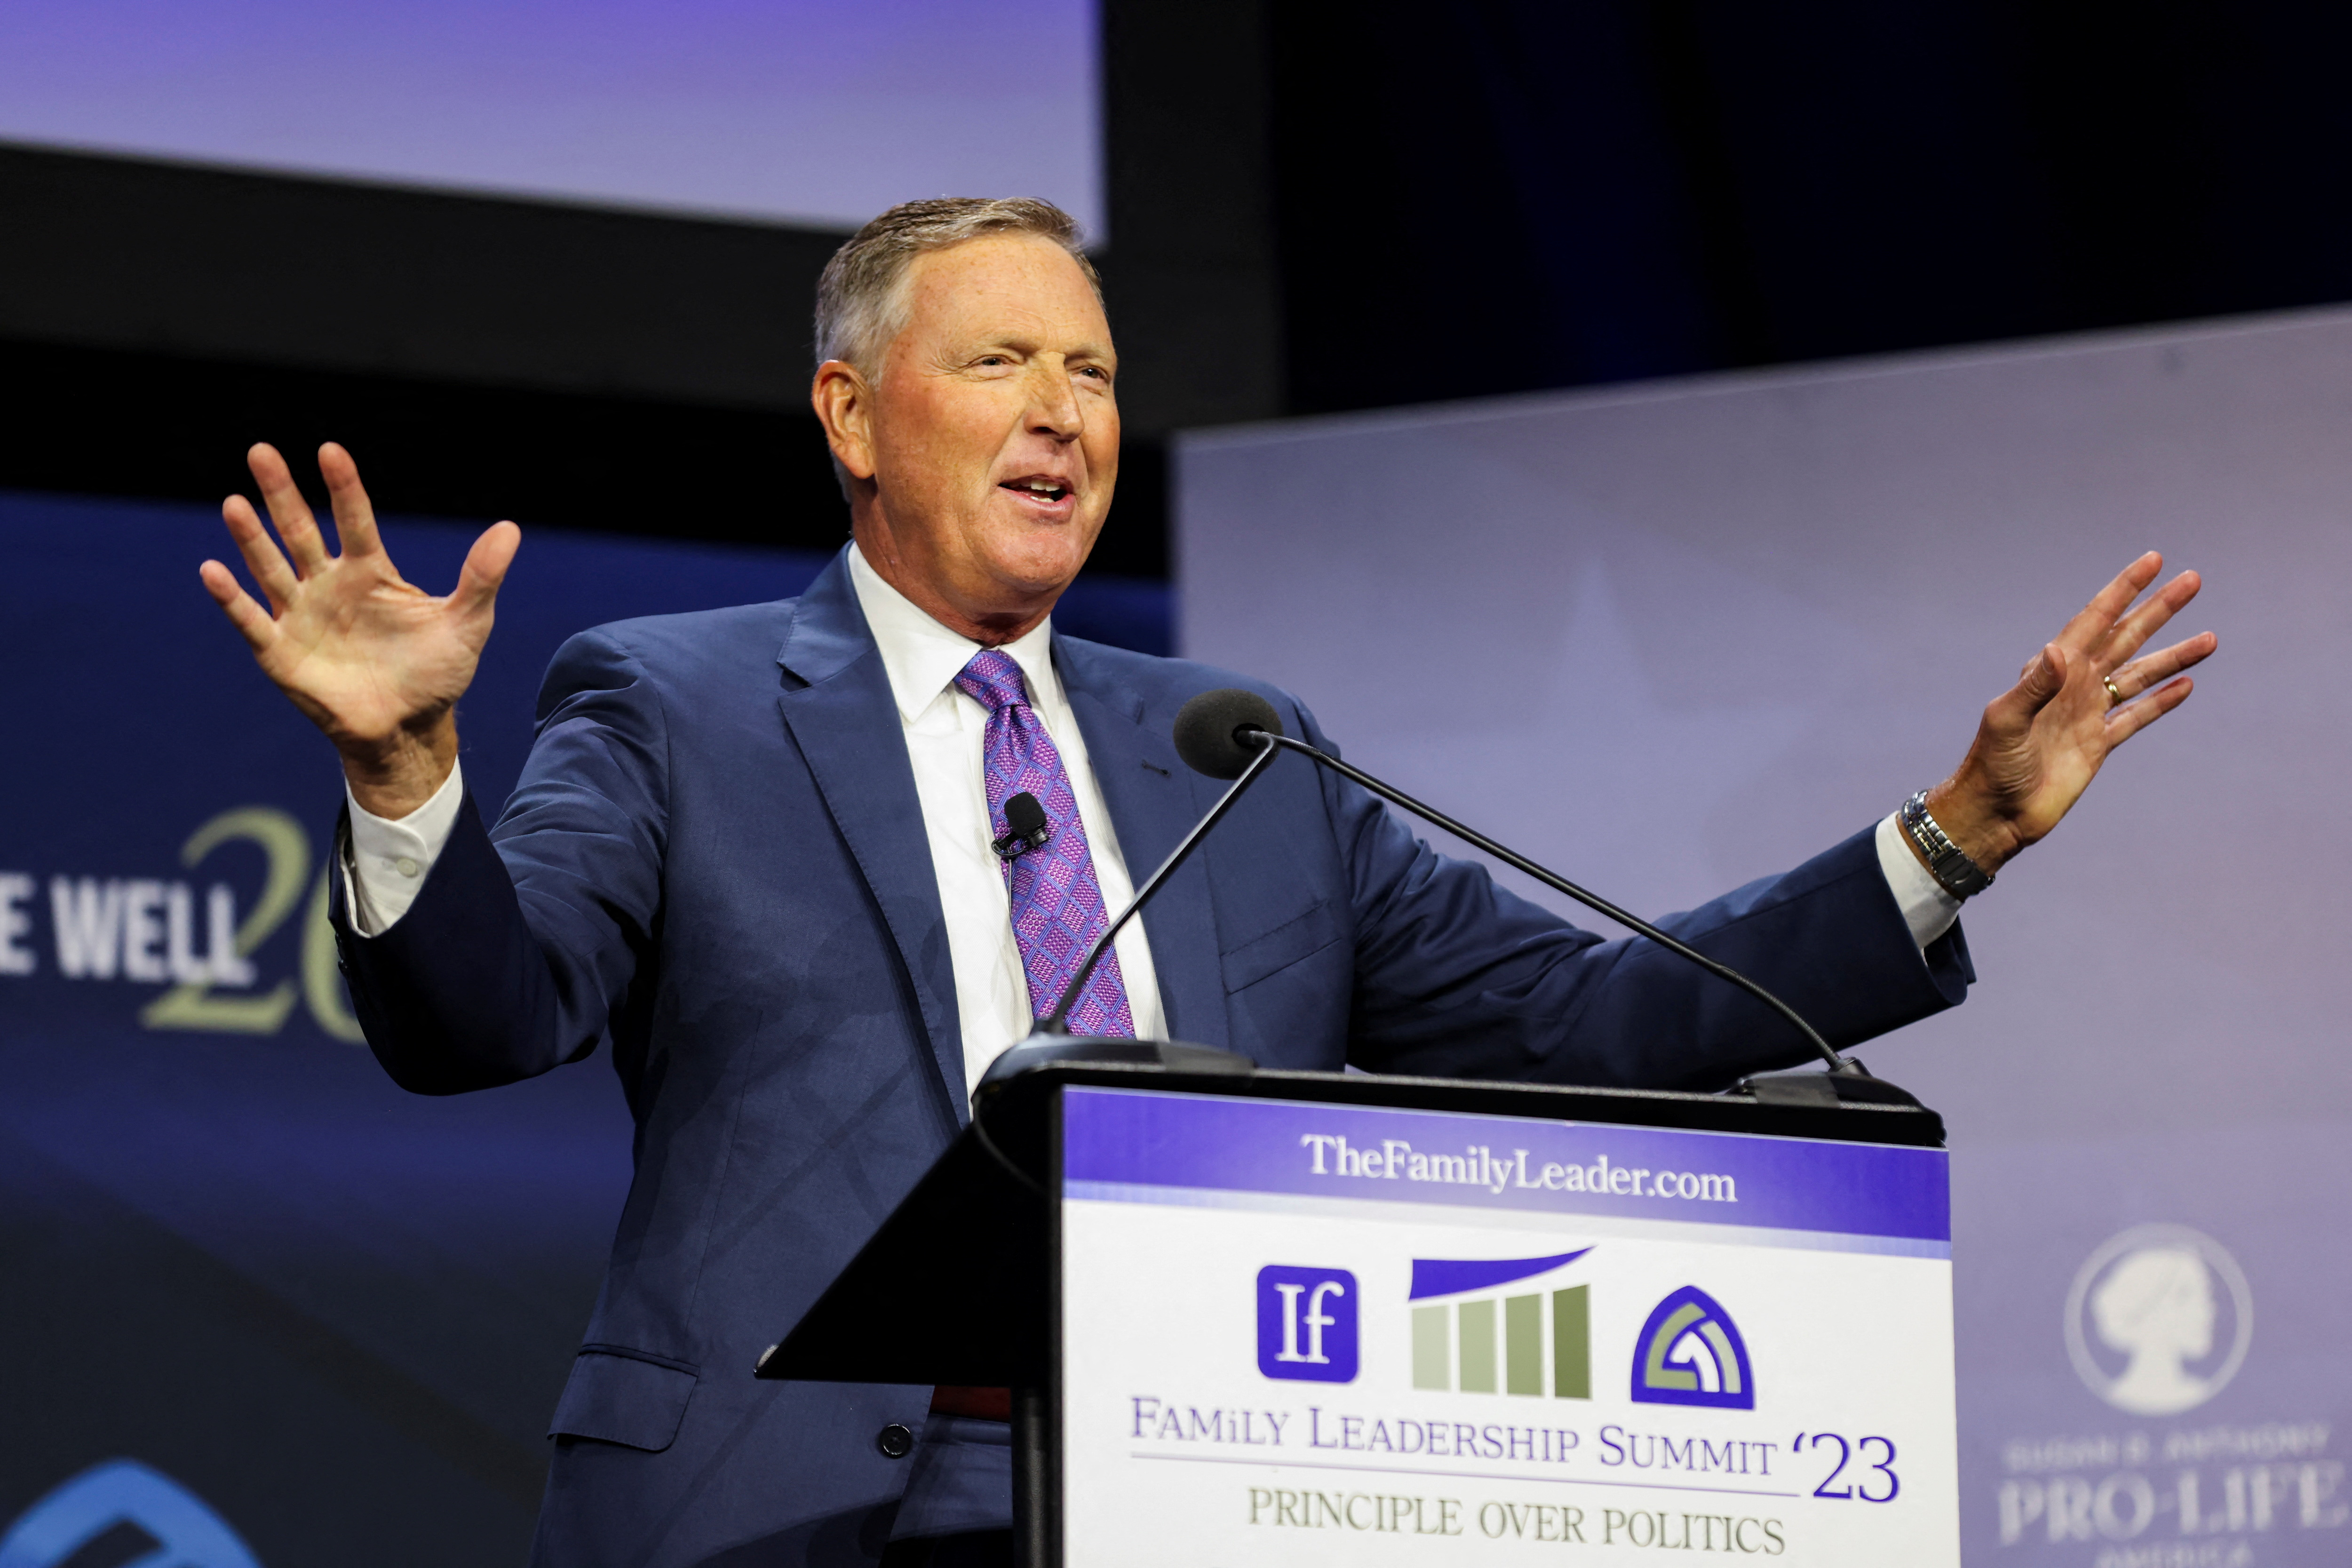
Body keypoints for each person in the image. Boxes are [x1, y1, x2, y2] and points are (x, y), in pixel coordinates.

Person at [198, 198, 2213, 1568]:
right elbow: (483, 1015)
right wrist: (403, 765)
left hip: (1211, 1482)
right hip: (785, 1509)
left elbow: (1591, 1023)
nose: (1065, 410)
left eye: (1086, 368)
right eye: (998, 364)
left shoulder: (1232, 747)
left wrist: (1947, 838)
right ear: (850, 416)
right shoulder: (676, 699)